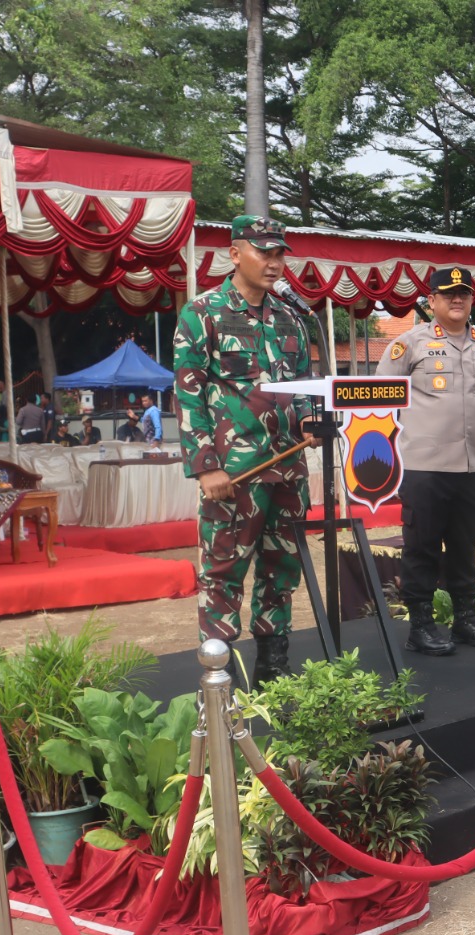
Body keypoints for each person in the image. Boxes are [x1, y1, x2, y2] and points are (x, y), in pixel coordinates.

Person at [175, 215, 317, 682]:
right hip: (234, 473)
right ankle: (221, 676)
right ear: (235, 254)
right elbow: (188, 394)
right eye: (264, 253)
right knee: (223, 572)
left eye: (279, 254)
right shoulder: (204, 312)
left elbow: (301, 385)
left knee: (283, 569)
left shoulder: (291, 316)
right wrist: (205, 467)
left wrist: (309, 419)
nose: (274, 263)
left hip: (288, 466)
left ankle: (273, 666)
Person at [377, 266, 475, 655]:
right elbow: (380, 397)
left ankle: (465, 618)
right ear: (431, 300)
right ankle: (421, 625)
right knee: (423, 546)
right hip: (424, 467)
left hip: (472, 466)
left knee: (466, 545)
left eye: (464, 293)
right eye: (448, 294)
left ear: (472, 300)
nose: (457, 299)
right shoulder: (408, 345)